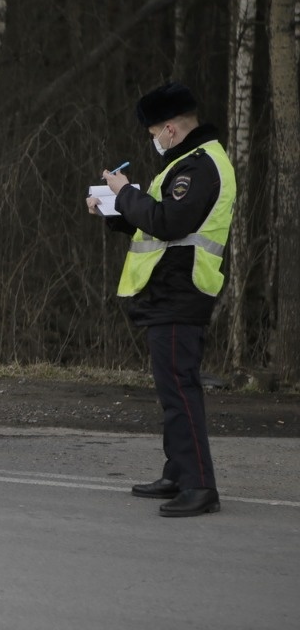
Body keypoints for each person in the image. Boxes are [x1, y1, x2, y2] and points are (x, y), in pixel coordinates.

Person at [86, 82, 236, 517]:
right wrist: (115, 208)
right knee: (171, 389)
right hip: (171, 289)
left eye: (154, 132)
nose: (153, 140)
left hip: (181, 289)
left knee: (181, 390)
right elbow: (154, 222)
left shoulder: (200, 166)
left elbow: (168, 222)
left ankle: (199, 485)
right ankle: (177, 472)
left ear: (170, 129)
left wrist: (126, 190)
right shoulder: (186, 164)